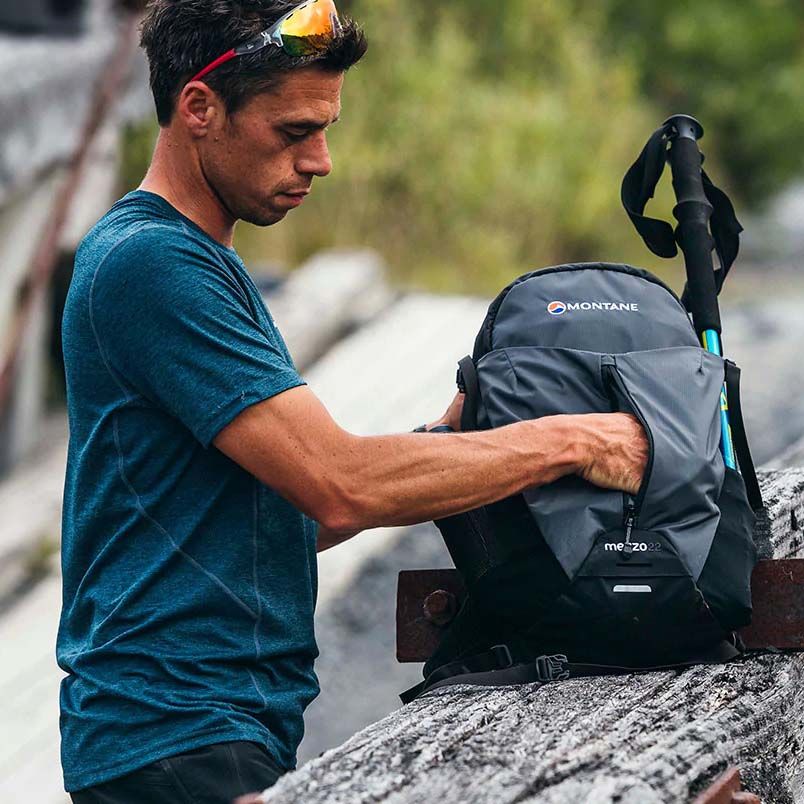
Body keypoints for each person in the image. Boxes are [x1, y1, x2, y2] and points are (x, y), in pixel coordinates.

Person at [57, 0, 648, 801]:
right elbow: (340, 484)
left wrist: (448, 437)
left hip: (203, 731)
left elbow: (294, 519)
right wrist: (577, 442)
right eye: (293, 131)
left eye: (325, 129)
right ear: (199, 108)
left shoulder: (190, 258)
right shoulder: (153, 264)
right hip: (173, 734)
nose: (321, 161)